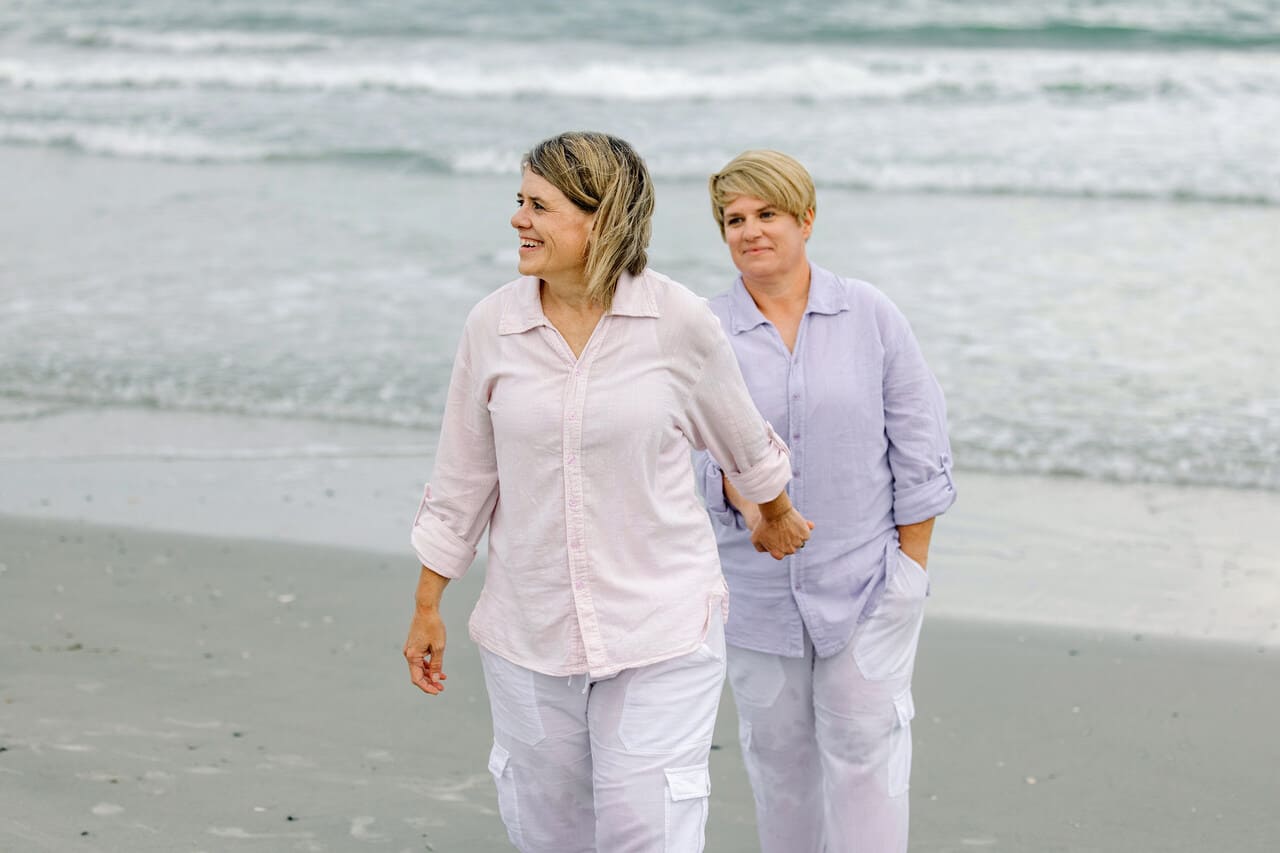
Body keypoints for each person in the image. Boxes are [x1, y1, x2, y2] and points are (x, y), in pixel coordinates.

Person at [403, 132, 812, 852]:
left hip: (662, 622)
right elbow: (465, 474)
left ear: (600, 218)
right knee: (549, 829)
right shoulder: (493, 324)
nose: (518, 220)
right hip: (528, 630)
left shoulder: (677, 321)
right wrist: (428, 601)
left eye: (539, 205)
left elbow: (742, 439)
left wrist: (775, 512)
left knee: (646, 827)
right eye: (519, 202)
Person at [693, 150, 956, 853]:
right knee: (779, 766)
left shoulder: (869, 314)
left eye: (767, 214)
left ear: (806, 218)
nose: (750, 231)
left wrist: (911, 570)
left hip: (869, 586)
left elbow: (919, 439)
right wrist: (753, 505)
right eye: (734, 219)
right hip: (754, 595)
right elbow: (691, 452)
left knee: (866, 755)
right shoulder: (703, 330)